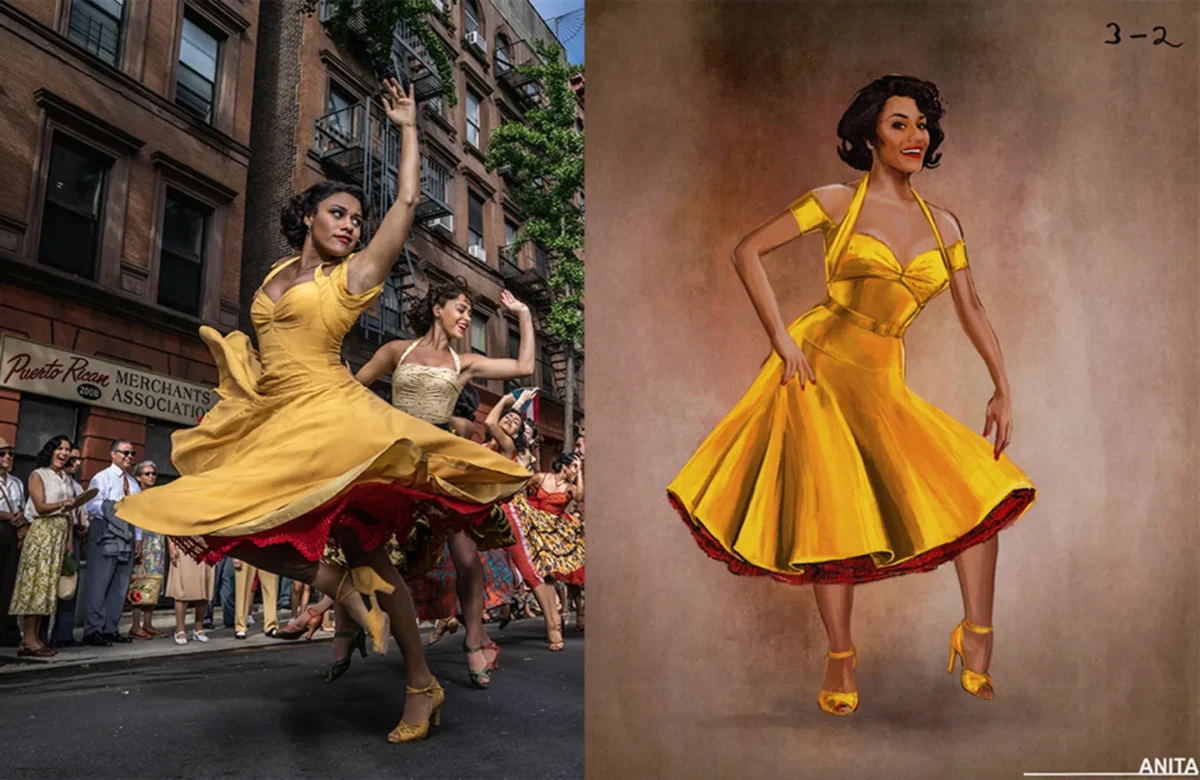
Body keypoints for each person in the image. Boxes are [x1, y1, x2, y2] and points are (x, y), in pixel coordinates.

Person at [114, 78, 530, 743]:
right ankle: (343, 589)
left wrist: (409, 128)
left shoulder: (352, 279)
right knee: (232, 523)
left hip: (332, 420)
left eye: (355, 221)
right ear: (308, 217)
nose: (350, 226)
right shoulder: (277, 272)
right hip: (277, 417)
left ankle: (420, 684)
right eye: (338, 214)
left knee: (368, 548)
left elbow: (404, 202)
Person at [666, 75, 1037, 716]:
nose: (915, 135)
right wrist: (782, 339)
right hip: (818, 369)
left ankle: (977, 634)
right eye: (899, 123)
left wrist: (1003, 386)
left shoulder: (943, 223)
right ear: (870, 134)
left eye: (922, 124)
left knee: (977, 494)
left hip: (882, 378)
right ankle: (840, 654)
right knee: (831, 516)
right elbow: (746, 251)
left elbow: (971, 306)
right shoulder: (836, 202)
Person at [483, 393, 564, 647]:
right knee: (465, 563)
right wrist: (513, 408)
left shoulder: (508, 448)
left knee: (528, 569)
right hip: (482, 510)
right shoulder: (489, 447)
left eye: (515, 422)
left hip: (507, 512)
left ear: (518, 434)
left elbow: (489, 423)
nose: (509, 420)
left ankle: (553, 625)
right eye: (507, 418)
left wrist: (506, 401)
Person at [8, 436, 76, 657]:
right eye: (60, 448)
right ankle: (28, 639)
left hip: (59, 534)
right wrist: (63, 504)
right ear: (51, 451)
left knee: (47, 588)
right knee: (35, 585)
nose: (64, 453)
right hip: (42, 533)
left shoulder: (65, 478)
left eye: (67, 449)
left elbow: (68, 515)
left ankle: (35, 638)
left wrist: (68, 541)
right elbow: (40, 506)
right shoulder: (39, 474)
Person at [82, 439, 140, 646]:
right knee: (99, 582)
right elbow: (92, 505)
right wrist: (115, 511)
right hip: (107, 532)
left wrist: (138, 537)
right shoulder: (102, 478)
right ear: (113, 454)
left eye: (132, 454)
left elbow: (139, 512)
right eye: (125, 453)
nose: (129, 457)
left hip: (128, 535)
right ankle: (93, 629)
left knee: (119, 584)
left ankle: (110, 627)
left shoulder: (133, 483)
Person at [49, 447, 89, 647]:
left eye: (78, 459)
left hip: (72, 535)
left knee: (68, 584)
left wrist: (83, 529)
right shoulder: (49, 480)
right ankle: (40, 634)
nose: (77, 463)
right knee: (47, 584)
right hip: (51, 532)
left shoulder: (77, 487)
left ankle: (64, 634)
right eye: (72, 459)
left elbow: (83, 514)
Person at [126, 461, 167, 639]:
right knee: (139, 582)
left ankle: (148, 623)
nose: (151, 477)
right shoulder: (136, 495)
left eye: (153, 474)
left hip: (158, 543)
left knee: (154, 583)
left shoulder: (158, 496)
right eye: (147, 474)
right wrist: (138, 543)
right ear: (139, 477)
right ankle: (135, 625)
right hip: (143, 542)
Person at [0, 437, 26, 647]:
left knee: (9, 581)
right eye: (2, 454)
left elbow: (22, 506)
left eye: (10, 454)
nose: (7, 458)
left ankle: (7, 629)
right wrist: (8, 516)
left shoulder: (16, 482)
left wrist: (20, 518)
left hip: (12, 533)